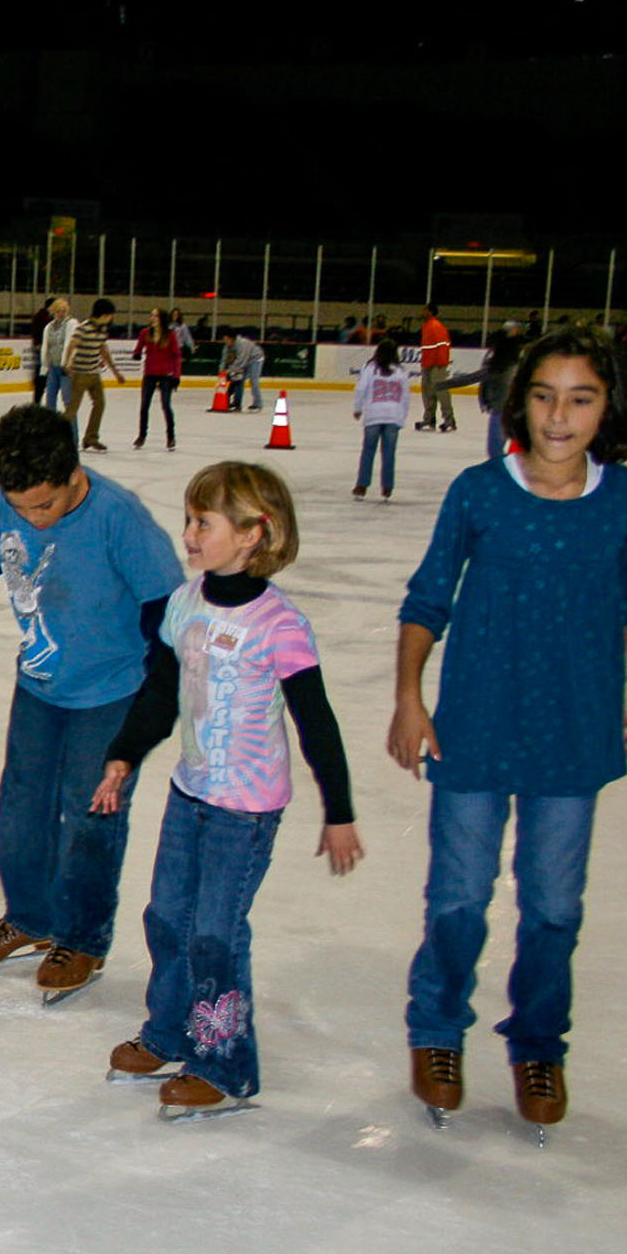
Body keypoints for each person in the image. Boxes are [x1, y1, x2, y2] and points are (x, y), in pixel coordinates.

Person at [388, 329, 627, 1139]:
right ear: (520, 401)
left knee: (551, 905)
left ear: (608, 407)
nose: (559, 414)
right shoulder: (480, 491)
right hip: (474, 726)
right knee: (459, 897)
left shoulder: (626, 499)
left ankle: (539, 1042)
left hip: (573, 734)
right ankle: (437, 1029)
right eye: (544, 395)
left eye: (581, 398)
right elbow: (427, 598)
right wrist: (409, 695)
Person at [93, 463, 363, 1119]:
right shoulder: (186, 602)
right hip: (191, 794)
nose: (188, 533)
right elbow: (162, 690)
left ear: (252, 534)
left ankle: (225, 1066)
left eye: (203, 522)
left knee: (215, 933)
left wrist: (340, 811)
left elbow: (315, 718)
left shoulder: (281, 624)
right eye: (189, 518)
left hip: (246, 810)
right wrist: (124, 754)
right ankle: (169, 1030)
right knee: (165, 916)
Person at [0, 403, 181, 1002]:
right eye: (21, 507)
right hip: (40, 680)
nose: (32, 519)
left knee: (89, 812)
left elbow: (163, 612)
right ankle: (31, 916)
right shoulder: (8, 502)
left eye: (44, 505)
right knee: (22, 800)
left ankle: (83, 937)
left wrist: (162, 697)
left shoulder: (120, 519)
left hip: (113, 690)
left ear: (74, 476)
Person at [446, 321, 523, 460]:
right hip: (503, 407)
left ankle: (503, 475)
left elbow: (482, 377)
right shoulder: (506, 355)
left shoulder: (509, 358)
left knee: (496, 449)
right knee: (497, 448)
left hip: (504, 408)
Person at [350, 337, 412, 501]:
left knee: (368, 451)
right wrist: (402, 416)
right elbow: (406, 396)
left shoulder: (370, 368)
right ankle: (387, 487)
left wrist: (357, 408)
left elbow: (361, 388)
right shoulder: (401, 371)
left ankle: (362, 485)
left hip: (373, 415)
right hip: (394, 416)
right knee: (389, 453)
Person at [63, 297, 123, 451]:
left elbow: (104, 350)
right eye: (110, 315)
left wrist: (116, 372)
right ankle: (55, 437)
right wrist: (67, 363)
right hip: (80, 374)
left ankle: (91, 437)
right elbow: (72, 345)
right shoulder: (84, 327)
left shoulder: (102, 329)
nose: (112, 318)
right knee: (72, 409)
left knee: (100, 403)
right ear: (104, 315)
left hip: (94, 374)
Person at [132, 306, 183, 451]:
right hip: (149, 375)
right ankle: (142, 435)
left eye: (156, 316)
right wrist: (136, 354)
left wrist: (176, 376)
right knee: (144, 406)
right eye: (151, 315)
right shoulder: (145, 333)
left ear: (162, 319)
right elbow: (139, 348)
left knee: (166, 405)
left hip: (166, 375)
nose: (152, 318)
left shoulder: (170, 335)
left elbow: (176, 356)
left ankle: (171, 436)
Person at [416, 303, 455, 432]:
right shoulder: (426, 326)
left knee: (441, 392)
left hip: (437, 364)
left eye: (424, 310)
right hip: (427, 364)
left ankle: (449, 420)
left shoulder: (436, 326)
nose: (422, 312)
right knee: (427, 392)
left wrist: (442, 361)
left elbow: (443, 344)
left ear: (430, 312)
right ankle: (429, 418)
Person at [39, 297, 76, 410]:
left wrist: (68, 363)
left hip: (66, 369)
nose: (61, 314)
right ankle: (51, 426)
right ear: (53, 312)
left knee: (68, 401)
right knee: (50, 399)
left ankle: (71, 428)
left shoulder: (71, 324)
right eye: (58, 311)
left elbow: (72, 344)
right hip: (53, 367)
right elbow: (46, 347)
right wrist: (44, 367)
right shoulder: (49, 327)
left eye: (64, 311)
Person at [222, 328, 265, 412]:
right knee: (238, 381)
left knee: (253, 381)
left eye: (226, 340)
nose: (225, 342)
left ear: (232, 339)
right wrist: (222, 369)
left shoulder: (242, 344)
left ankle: (258, 404)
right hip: (244, 360)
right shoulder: (227, 346)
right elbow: (224, 359)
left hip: (255, 359)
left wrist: (229, 370)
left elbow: (241, 361)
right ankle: (236, 403)